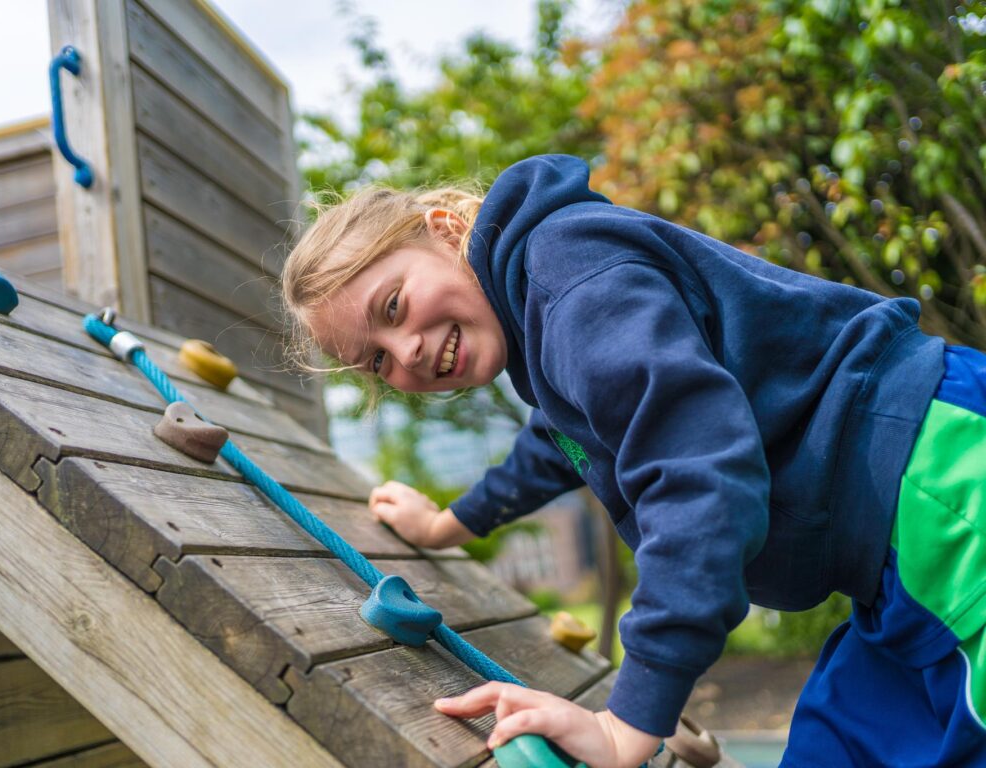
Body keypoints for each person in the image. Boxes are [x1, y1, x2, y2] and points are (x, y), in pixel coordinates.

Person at [281, 154, 986, 768]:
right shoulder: (543, 316)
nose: (403, 353)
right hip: (895, 548)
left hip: (943, 487)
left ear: (442, 229)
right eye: (376, 359)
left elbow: (698, 473)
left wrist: (630, 721)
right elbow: (560, 440)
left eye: (395, 305)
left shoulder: (572, 281)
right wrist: (450, 524)